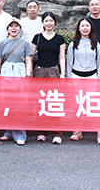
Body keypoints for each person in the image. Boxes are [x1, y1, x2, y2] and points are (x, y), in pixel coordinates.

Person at [66, 17, 100, 144]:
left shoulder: (96, 44)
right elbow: (69, 62)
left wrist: (99, 78)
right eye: (82, 26)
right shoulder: (73, 44)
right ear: (78, 28)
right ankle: (77, 131)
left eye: (87, 26)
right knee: (77, 104)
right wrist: (69, 79)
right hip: (77, 76)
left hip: (92, 76)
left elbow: (99, 62)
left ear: (91, 28)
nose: (85, 28)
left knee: (95, 104)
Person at [0, 18, 33, 145]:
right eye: (11, 26)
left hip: (19, 73)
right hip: (6, 74)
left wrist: (27, 75)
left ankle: (20, 133)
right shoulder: (2, 43)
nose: (14, 28)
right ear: (7, 29)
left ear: (20, 29)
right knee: (7, 103)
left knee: (19, 104)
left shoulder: (25, 43)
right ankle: (9, 130)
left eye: (16, 26)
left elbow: (28, 60)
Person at [31, 11, 66, 144]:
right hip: (39, 71)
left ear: (55, 23)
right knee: (40, 101)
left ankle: (56, 133)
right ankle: (41, 132)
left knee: (54, 101)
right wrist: (30, 72)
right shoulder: (37, 37)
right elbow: (31, 56)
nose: (49, 23)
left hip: (53, 71)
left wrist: (63, 74)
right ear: (43, 23)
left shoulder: (60, 39)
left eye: (51, 21)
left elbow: (62, 57)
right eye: (46, 21)